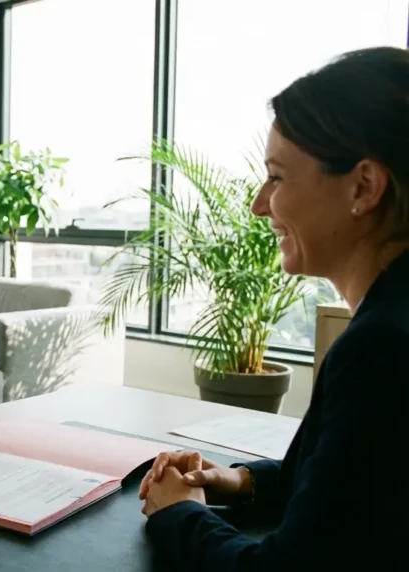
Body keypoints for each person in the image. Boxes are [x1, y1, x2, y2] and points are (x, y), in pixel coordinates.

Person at [138, 46, 409, 570]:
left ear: (364, 186)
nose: (260, 204)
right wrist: (239, 481)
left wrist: (180, 513)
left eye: (278, 177)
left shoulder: (383, 348)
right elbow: (357, 496)